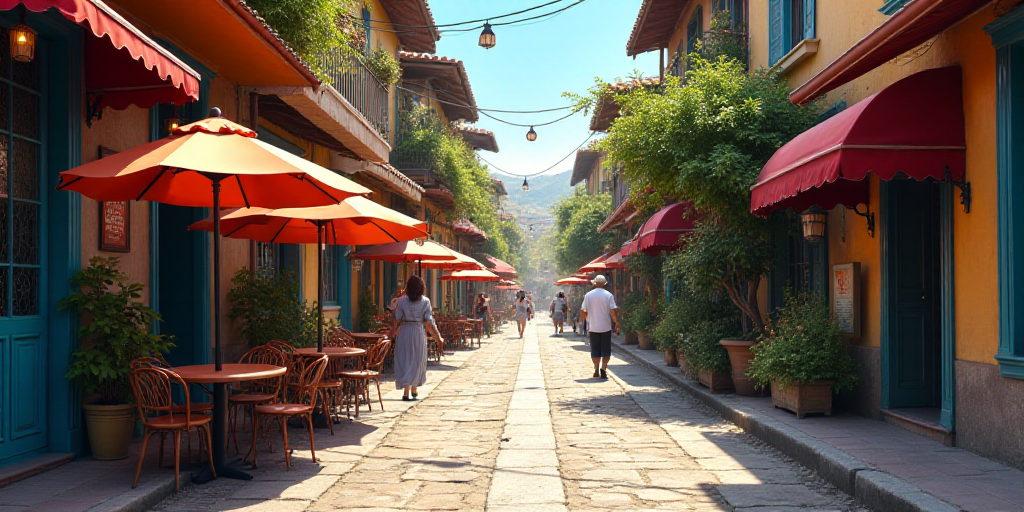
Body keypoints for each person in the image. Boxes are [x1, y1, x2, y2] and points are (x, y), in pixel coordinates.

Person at [390, 276, 443, 401]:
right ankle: (414, 387)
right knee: (417, 360)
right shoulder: (425, 301)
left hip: (405, 331)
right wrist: (438, 337)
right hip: (418, 331)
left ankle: (406, 391)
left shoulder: (402, 301)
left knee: (405, 358)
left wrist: (390, 334)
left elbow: (396, 320)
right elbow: (429, 323)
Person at [580, 275, 619, 380]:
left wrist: (585, 321)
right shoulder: (608, 295)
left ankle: (596, 367)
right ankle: (604, 368)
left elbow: (583, 310)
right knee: (606, 350)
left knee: (595, 349)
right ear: (605, 284)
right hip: (606, 327)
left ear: (594, 283)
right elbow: (613, 311)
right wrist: (617, 323)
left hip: (593, 327)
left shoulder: (588, 295)